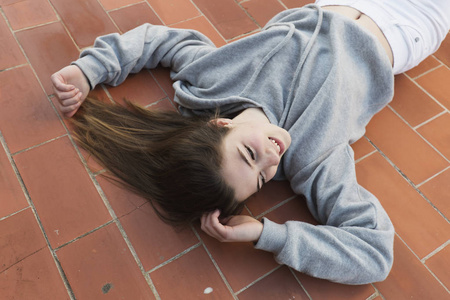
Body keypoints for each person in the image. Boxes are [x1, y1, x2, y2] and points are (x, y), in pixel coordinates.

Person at [51, 0, 450, 284]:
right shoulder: (315, 158)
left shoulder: (210, 84)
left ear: (221, 125)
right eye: (262, 179)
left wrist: (91, 69)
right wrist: (266, 234)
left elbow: (160, 41)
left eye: (249, 154)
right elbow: (374, 252)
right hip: (409, 27)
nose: (272, 160)